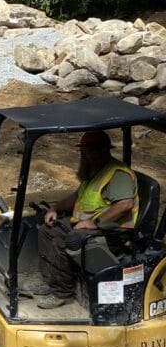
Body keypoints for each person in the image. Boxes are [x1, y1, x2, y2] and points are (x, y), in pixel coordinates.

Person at [34, 130, 137, 308]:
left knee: (62, 242)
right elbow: (77, 197)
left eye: (87, 151)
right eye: (82, 151)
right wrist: (55, 208)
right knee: (46, 230)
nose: (84, 155)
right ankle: (51, 281)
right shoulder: (95, 171)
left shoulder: (117, 174)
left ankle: (61, 293)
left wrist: (94, 224)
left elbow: (125, 204)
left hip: (112, 232)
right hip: (84, 225)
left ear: (103, 150)